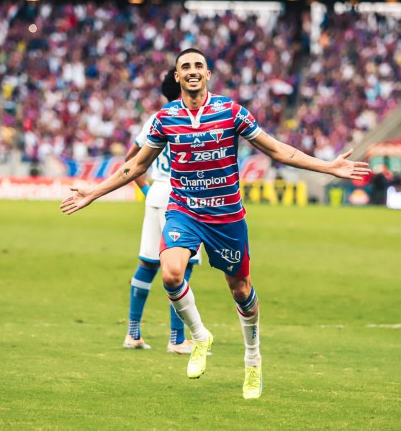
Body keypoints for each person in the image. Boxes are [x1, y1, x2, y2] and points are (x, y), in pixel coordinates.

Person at [60, 48, 370, 400]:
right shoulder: (166, 118)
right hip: (184, 210)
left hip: (226, 216)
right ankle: (200, 335)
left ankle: (253, 360)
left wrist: (328, 166)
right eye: (185, 67)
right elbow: (135, 166)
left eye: (198, 66)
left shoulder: (231, 112)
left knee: (240, 290)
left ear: (207, 74)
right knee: (171, 274)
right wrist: (94, 192)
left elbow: (279, 150)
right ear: (177, 77)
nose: (192, 71)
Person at [122, 69, 202, 354]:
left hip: (156, 193)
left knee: (148, 264)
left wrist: (145, 190)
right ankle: (177, 339)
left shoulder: (155, 118)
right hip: (183, 198)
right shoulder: (193, 118)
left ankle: (133, 334)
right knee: (182, 268)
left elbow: (130, 160)